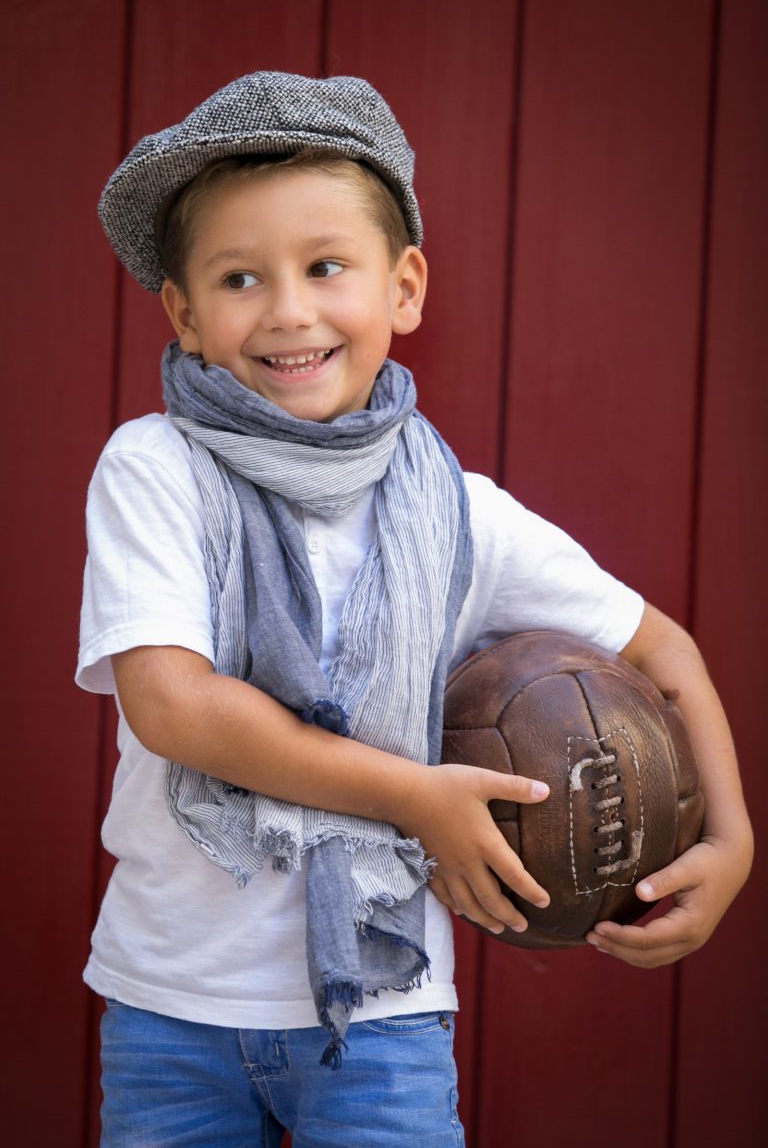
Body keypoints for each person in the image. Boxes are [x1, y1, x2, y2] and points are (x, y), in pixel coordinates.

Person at [78, 71, 752, 1147]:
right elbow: (176, 708)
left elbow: (665, 651)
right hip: (173, 1003)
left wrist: (734, 840)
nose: (289, 309)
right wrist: (415, 799)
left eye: (326, 267)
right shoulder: (157, 469)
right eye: (241, 277)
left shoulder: (457, 516)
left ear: (404, 287)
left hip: (385, 1011)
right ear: (185, 315)